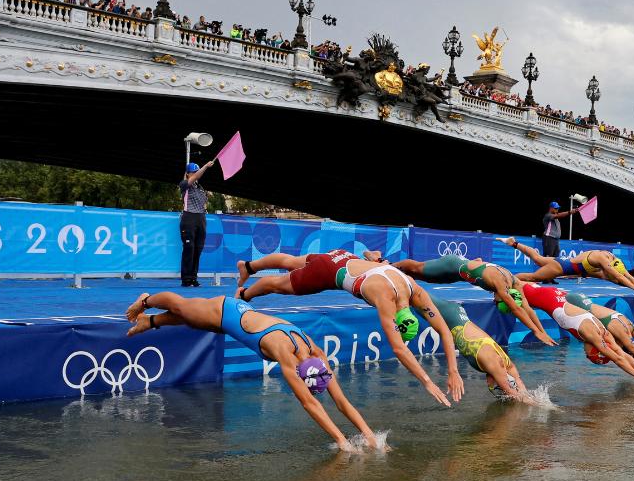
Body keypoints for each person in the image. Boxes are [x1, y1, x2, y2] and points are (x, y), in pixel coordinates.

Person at [123, 292, 382, 452]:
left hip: (237, 319)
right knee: (182, 307)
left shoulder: (317, 355)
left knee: (193, 319)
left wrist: (369, 435)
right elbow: (309, 403)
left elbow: (341, 401)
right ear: (301, 373)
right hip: (225, 310)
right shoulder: (285, 354)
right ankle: (146, 300)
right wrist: (341, 440)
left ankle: (151, 322)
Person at [235, 251, 465, 406]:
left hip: (344, 257)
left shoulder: (414, 289)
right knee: (278, 285)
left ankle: (248, 266)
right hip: (329, 272)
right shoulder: (385, 299)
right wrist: (427, 381)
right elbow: (398, 349)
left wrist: (453, 371)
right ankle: (245, 294)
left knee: (291, 261)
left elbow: (444, 330)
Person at [390, 253, 556, 345]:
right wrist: (534, 331)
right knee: (416, 268)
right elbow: (516, 309)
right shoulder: (500, 285)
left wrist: (541, 332)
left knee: (420, 277)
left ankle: (386, 269)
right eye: (497, 302)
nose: (494, 301)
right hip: (452, 265)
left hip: (458, 274)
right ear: (505, 297)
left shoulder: (515, 283)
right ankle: (386, 266)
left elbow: (526, 308)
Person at [422, 296, 536, 403]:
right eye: (493, 387)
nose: (488, 384)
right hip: (452, 315)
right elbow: (517, 398)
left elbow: (521, 388)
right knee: (414, 293)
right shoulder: (494, 363)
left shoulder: (507, 364)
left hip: (456, 314)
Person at [502, 238, 634, 305]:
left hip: (564, 264)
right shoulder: (601, 260)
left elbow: (626, 276)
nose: (610, 277)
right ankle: (504, 282)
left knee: (538, 258)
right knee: (533, 276)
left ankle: (513, 243)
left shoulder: (614, 262)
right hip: (561, 268)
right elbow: (617, 276)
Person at [179, 159, 215, 287]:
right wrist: (205, 166)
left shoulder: (201, 188)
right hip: (189, 218)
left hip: (201, 218)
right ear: (188, 174)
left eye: (196, 171)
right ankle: (186, 278)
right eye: (193, 172)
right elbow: (196, 177)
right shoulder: (185, 185)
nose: (195, 174)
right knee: (189, 248)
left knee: (198, 249)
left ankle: (193, 277)